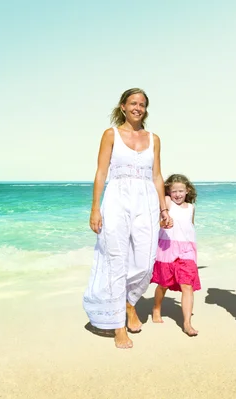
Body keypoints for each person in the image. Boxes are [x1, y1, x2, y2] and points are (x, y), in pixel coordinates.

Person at [83, 88, 173, 349]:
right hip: (116, 199)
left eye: (142, 104)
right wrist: (95, 208)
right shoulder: (110, 135)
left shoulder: (154, 138)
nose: (138, 108)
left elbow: (157, 175)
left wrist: (163, 208)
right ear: (123, 106)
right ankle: (118, 325)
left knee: (146, 261)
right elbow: (101, 173)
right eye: (133, 103)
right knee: (116, 261)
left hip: (146, 200)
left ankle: (129, 302)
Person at [151, 174, 201, 336]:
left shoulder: (191, 207)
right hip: (167, 248)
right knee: (163, 284)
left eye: (181, 191)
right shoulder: (167, 202)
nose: (178, 194)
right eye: (174, 191)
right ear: (168, 192)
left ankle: (187, 323)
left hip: (187, 250)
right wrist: (162, 224)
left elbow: (190, 227)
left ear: (187, 191)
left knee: (187, 285)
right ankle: (157, 308)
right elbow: (159, 220)